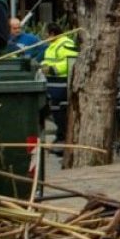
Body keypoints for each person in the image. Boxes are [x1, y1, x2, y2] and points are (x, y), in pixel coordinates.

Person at [41, 23, 79, 153]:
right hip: (52, 84)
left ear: (52, 33)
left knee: (60, 112)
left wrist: (53, 69)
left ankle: (63, 139)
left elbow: (71, 60)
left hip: (61, 84)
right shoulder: (52, 46)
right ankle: (60, 137)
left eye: (46, 34)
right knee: (55, 112)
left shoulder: (65, 43)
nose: (44, 37)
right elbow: (48, 60)